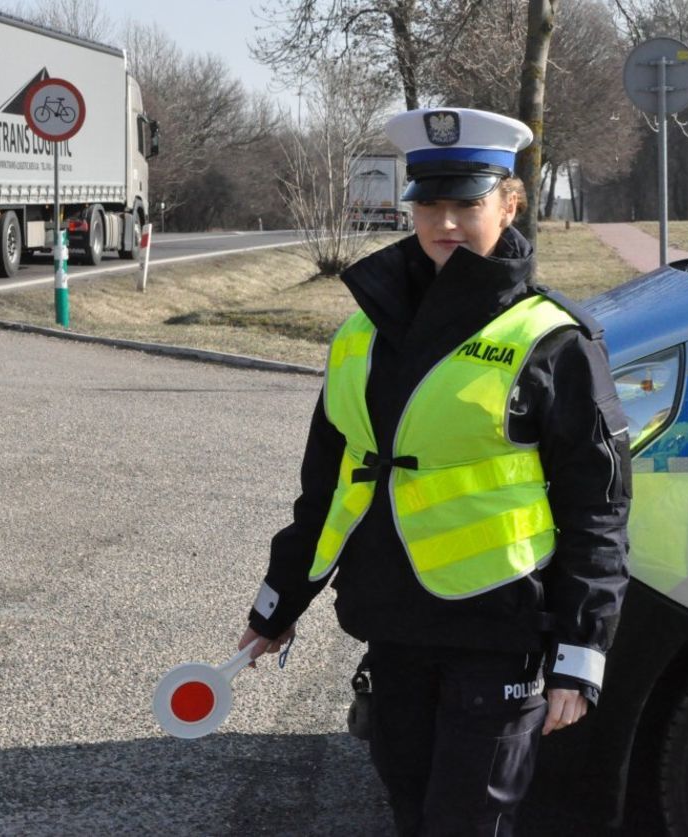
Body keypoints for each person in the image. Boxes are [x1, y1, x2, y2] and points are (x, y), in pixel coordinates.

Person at [237, 107, 631, 836]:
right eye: (429, 204)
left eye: (467, 203)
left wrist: (581, 655)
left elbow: (596, 508)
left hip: (499, 630)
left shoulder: (552, 340)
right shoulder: (361, 333)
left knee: (465, 824)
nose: (444, 222)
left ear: (511, 203)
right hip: (394, 628)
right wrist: (276, 605)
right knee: (413, 813)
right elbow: (328, 486)